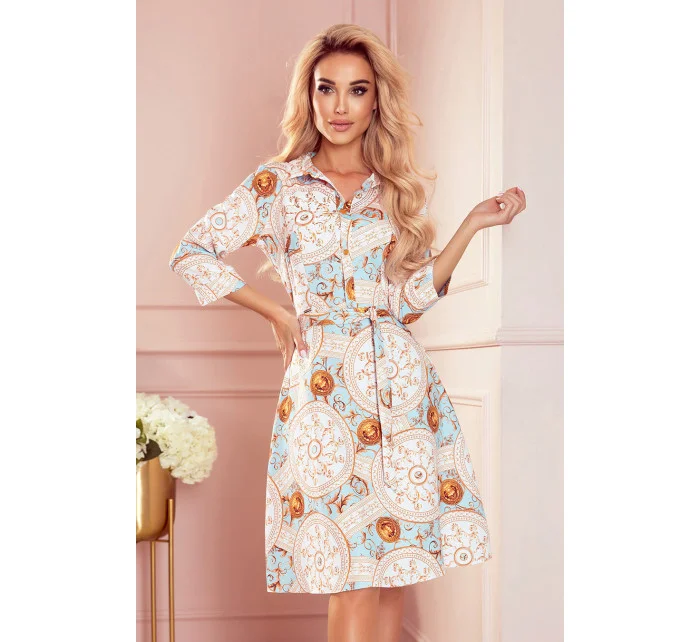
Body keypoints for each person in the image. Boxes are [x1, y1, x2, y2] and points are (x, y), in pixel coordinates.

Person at [169, 23, 526, 642]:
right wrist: (276, 313)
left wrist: (470, 227)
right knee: (350, 573)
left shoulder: (392, 190)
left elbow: (404, 304)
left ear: (376, 100)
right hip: (324, 392)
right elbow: (191, 252)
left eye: (357, 90)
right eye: (326, 88)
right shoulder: (276, 186)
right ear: (307, 96)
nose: (340, 106)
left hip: (402, 392)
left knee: (393, 574)